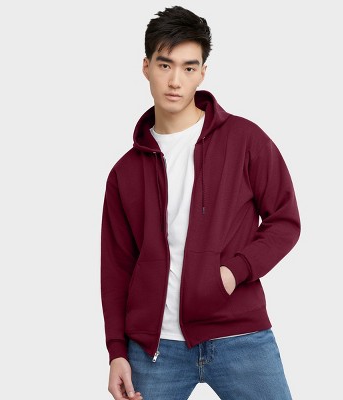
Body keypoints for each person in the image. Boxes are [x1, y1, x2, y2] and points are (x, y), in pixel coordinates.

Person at [100, 5, 301, 400]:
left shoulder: (245, 140)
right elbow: (117, 267)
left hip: (240, 336)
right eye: (165, 65)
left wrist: (234, 272)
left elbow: (285, 221)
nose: (175, 80)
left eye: (188, 67)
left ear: (202, 73)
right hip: (155, 349)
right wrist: (117, 352)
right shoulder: (124, 173)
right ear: (146, 67)